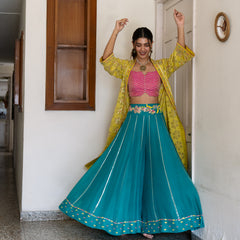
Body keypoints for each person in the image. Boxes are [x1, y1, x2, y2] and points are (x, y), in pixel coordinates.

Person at [59, 9, 204, 239]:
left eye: (146, 44)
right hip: (133, 124)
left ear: (152, 44)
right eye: (139, 44)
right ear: (134, 45)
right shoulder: (126, 68)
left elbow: (181, 56)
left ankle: (152, 224)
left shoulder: (162, 67)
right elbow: (106, 59)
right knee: (126, 171)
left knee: (159, 172)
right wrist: (115, 31)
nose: (143, 49)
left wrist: (180, 24)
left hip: (156, 123)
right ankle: (125, 219)